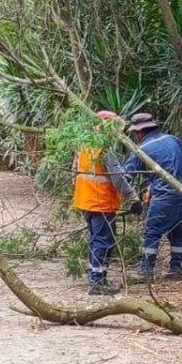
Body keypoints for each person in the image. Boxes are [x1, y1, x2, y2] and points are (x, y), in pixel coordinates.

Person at [73, 111, 141, 295]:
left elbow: (76, 173)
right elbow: (117, 179)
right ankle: (97, 281)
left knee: (96, 239)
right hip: (101, 202)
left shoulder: (84, 146)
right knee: (103, 241)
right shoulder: (105, 149)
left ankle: (97, 276)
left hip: (86, 201)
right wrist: (133, 199)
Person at [122, 112, 182, 281]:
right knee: (176, 230)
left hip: (165, 195)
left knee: (152, 232)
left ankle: (146, 270)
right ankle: (175, 268)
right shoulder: (173, 139)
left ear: (138, 132)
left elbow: (125, 177)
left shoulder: (142, 150)